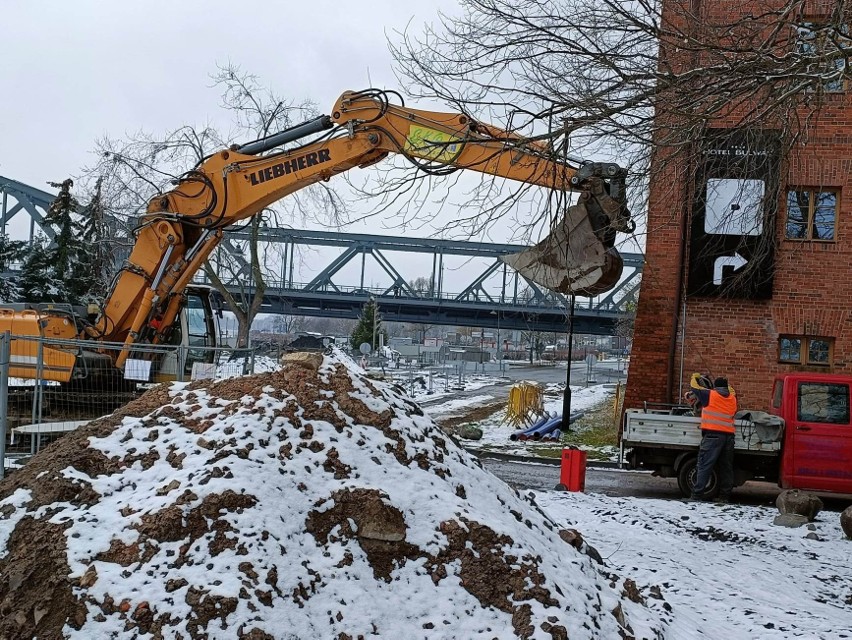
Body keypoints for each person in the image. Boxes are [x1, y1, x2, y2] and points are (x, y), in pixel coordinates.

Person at [685, 373, 738, 503]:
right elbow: (731, 390)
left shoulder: (709, 395)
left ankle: (696, 496)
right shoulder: (732, 398)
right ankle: (724, 497)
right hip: (729, 438)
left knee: (704, 465)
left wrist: (695, 376)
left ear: (715, 387)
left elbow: (694, 387)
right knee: (726, 468)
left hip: (713, 436)